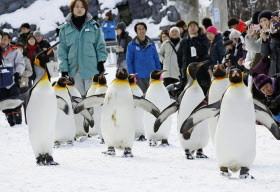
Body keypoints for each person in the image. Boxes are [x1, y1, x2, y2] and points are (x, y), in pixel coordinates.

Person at [58, 0, 108, 95]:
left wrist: (101, 62)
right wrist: (64, 69)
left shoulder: (94, 26)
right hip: (74, 71)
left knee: (93, 99)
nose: (79, 9)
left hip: (91, 69)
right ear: (72, 9)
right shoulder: (64, 29)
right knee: (78, 102)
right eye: (77, 6)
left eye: (82, 7)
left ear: (86, 9)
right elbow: (62, 51)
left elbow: (100, 46)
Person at [126, 22, 161, 93]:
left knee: (153, 96)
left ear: (145, 30)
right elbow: (129, 61)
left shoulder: (151, 43)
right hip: (139, 77)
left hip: (152, 75)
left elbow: (156, 59)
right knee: (141, 97)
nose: (141, 31)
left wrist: (159, 72)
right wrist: (131, 74)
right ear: (136, 31)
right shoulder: (131, 45)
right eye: (139, 29)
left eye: (143, 29)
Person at [177, 20, 210, 95]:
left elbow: (203, 50)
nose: (192, 28)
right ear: (188, 29)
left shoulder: (203, 38)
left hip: (201, 72)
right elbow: (180, 58)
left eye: (194, 26)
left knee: (202, 94)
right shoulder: (184, 41)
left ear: (198, 28)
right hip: (188, 73)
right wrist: (182, 71)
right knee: (190, 94)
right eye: (190, 26)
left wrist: (194, 40)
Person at [0, 33, 25, 126]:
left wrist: (18, 73)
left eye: (5, 39)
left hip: (12, 79)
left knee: (15, 99)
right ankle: (10, 121)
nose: (2, 42)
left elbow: (20, 63)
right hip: (1, 81)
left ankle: (18, 121)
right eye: (1, 39)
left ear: (9, 40)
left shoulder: (15, 51)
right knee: (3, 100)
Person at [260, 10, 280, 76]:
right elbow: (264, 54)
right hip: (273, 71)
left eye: (276, 21)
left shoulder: (274, 36)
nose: (274, 24)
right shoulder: (271, 35)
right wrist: (264, 40)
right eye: (272, 21)